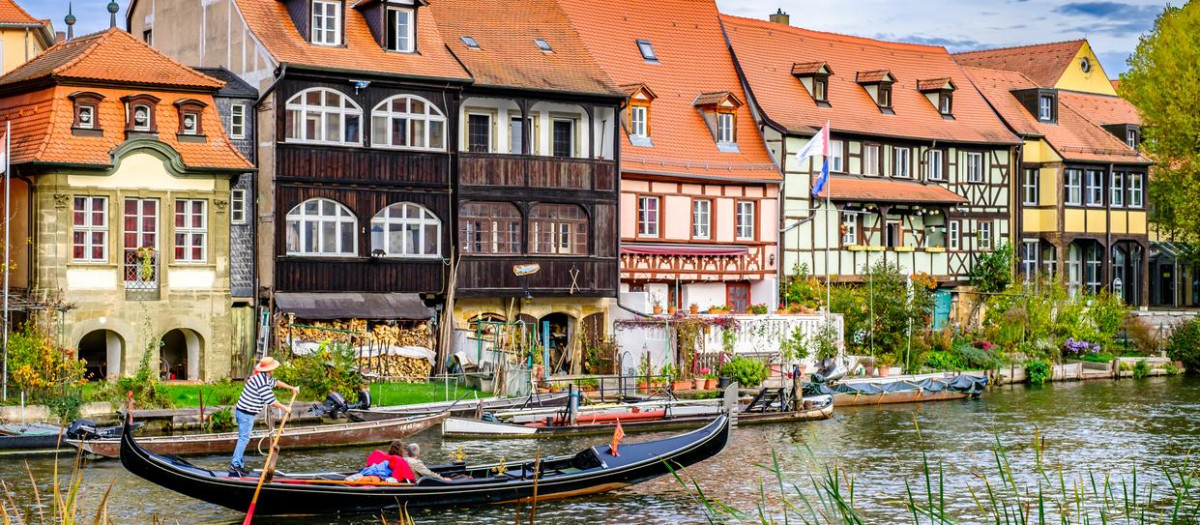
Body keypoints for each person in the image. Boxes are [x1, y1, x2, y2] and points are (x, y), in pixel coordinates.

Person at [229, 356, 299, 476]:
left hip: (246, 412)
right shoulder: (261, 381)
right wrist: (286, 408)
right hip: (245, 413)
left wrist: (291, 388)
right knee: (244, 439)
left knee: (244, 438)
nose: (274, 371)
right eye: (273, 369)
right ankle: (235, 466)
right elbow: (271, 400)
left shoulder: (265, 377)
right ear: (269, 370)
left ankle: (238, 465)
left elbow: (276, 382)